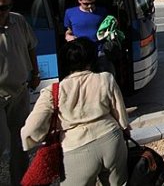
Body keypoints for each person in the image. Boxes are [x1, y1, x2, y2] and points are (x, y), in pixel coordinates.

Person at [21, 37, 130, 186]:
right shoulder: (106, 78)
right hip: (112, 140)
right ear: (92, 60)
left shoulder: (53, 91)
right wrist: (125, 129)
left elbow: (31, 129)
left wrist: (32, 141)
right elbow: (120, 114)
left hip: (76, 149)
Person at [0, 0, 40, 186]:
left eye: (5, 8)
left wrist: (36, 72)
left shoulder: (19, 21)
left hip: (20, 91)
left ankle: (21, 180)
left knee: (20, 141)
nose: (2, 12)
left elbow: (31, 46)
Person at [64, 0, 114, 74]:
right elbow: (68, 31)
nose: (90, 6)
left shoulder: (102, 11)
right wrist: (68, 36)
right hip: (81, 53)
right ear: (79, 0)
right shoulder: (70, 13)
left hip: (99, 50)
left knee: (105, 75)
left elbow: (108, 28)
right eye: (86, 4)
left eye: (92, 3)